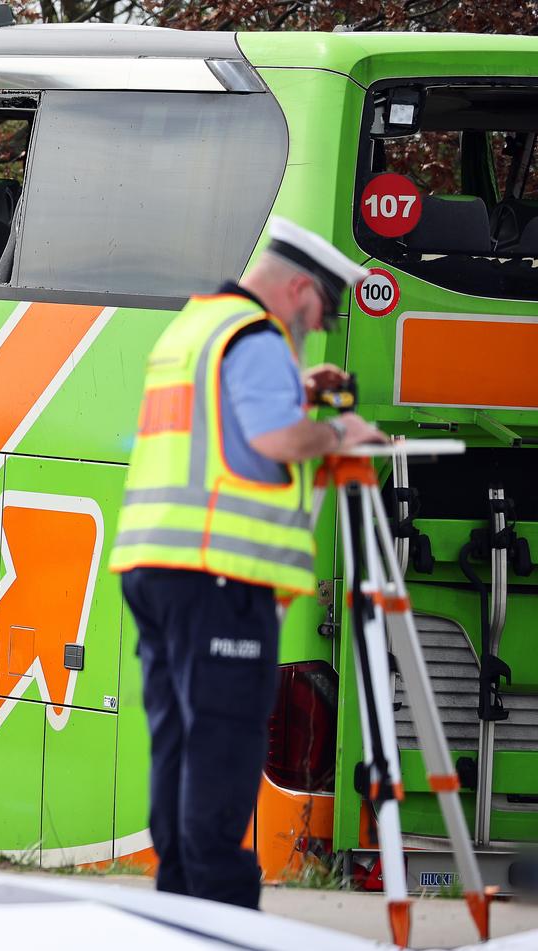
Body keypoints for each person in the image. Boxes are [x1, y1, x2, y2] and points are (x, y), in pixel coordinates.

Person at [108, 217, 386, 909]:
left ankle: (180, 891)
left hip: (157, 564)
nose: (313, 329)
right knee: (227, 735)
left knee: (179, 733)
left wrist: (298, 394)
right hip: (219, 574)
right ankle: (218, 898)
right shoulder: (258, 339)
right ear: (297, 289)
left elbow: (225, 428)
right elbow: (270, 435)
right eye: (317, 312)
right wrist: (337, 430)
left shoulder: (199, 327)